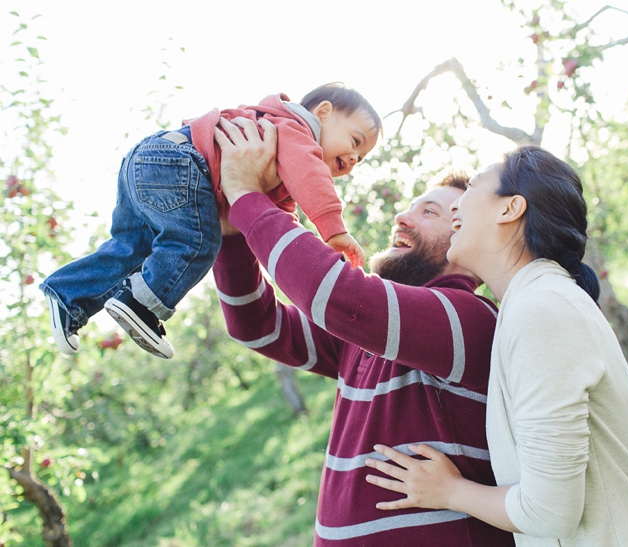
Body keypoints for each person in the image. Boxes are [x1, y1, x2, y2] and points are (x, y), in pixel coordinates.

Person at [364, 146, 628, 546]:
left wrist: (450, 491)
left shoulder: (541, 310)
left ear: (510, 209)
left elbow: (549, 512)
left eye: (475, 186)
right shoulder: (533, 302)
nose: (455, 210)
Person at [212, 117, 515, 546]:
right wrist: (231, 234)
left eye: (428, 212)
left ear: (467, 237)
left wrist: (246, 197)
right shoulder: (367, 334)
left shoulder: (468, 317)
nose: (402, 216)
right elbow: (258, 327)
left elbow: (335, 294)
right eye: (411, 205)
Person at [41, 83, 379, 360]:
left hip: (150, 159)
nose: (353, 159)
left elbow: (279, 220)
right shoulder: (296, 130)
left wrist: (289, 254)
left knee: (131, 249)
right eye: (354, 142)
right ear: (322, 113)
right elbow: (311, 176)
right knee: (197, 242)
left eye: (361, 158)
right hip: (180, 164)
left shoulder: (284, 162)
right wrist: (334, 230)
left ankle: (68, 295)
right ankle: (141, 305)